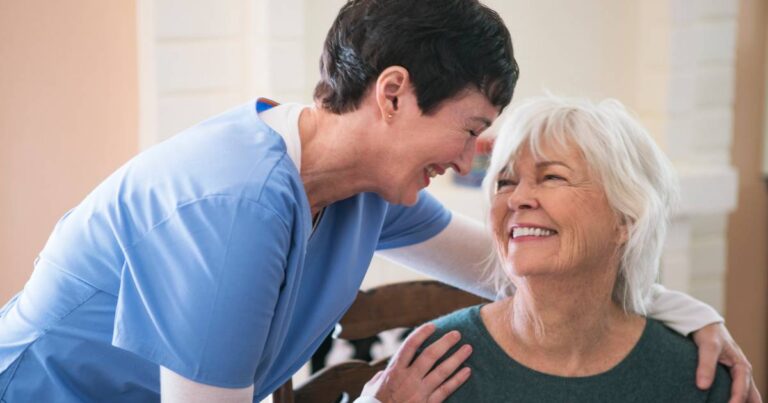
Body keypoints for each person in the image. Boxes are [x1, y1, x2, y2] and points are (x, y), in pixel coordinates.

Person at [0, 1, 757, 402]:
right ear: (392, 92)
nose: (471, 162)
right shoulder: (232, 208)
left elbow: (510, 268)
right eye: (470, 131)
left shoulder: (363, 187)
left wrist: (692, 317)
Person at [380, 95, 740, 402]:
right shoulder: (437, 363)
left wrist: (695, 315)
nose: (517, 198)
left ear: (626, 220)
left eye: (552, 176)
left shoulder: (697, 374)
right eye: (505, 182)